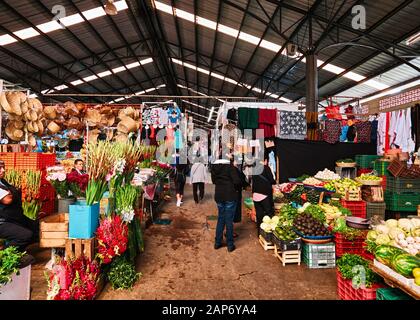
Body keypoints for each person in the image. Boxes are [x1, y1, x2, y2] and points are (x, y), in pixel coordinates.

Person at [0, 160, 39, 251]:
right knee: (26, 236)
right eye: (0, 168)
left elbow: (10, 195)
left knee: (37, 229)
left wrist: (10, 193)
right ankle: (4, 254)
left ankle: (18, 251)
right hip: (3, 222)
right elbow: (7, 200)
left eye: (3, 167)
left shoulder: (2, 181)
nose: (3, 170)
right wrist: (11, 193)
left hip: (13, 218)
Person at [211, 156, 241, 252]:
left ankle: (217, 243)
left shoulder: (214, 167)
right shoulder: (230, 167)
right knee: (229, 220)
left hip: (219, 195)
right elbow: (237, 181)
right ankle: (230, 245)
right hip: (230, 195)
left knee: (221, 218)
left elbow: (213, 181)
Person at [252, 158, 276, 236]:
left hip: (255, 195)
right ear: (265, 160)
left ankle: (259, 233)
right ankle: (269, 235)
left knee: (259, 215)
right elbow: (272, 180)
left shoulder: (254, 169)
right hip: (264, 195)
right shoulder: (266, 168)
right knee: (269, 214)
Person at [190, 137, 207, 204]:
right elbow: (205, 173)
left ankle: (196, 200)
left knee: (194, 190)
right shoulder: (202, 165)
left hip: (194, 179)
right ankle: (201, 196)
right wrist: (205, 180)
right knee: (201, 189)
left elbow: (191, 173)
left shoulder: (193, 166)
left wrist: (190, 181)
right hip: (201, 179)